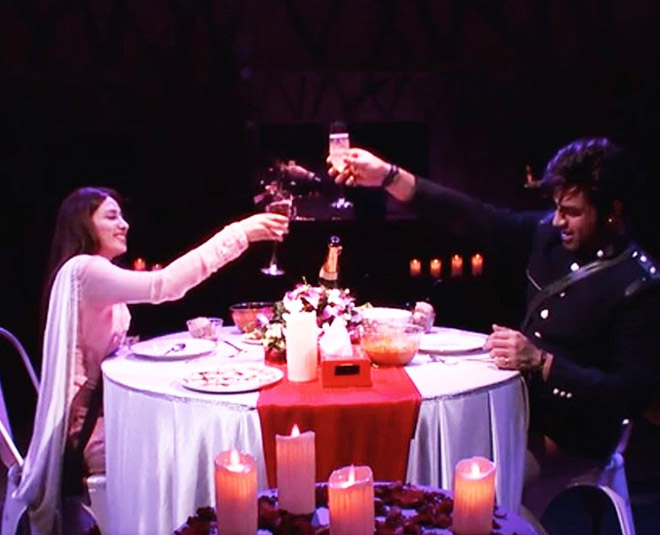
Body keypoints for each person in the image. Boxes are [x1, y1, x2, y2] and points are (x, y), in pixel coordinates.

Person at [330, 138, 660, 518]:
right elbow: (476, 217)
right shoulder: (550, 238)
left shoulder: (637, 283)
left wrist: (545, 363)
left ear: (612, 211)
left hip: (572, 434)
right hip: (518, 412)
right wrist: (389, 176)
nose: (558, 221)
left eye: (572, 212)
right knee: (430, 460)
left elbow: (632, 394)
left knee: (465, 492)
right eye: (556, 208)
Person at [14, 186, 289, 534]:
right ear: (82, 224)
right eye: (111, 216)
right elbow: (164, 286)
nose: (124, 224)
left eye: (122, 215)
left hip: (102, 411)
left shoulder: (93, 270)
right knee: (191, 446)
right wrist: (239, 233)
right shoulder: (86, 270)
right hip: (86, 431)